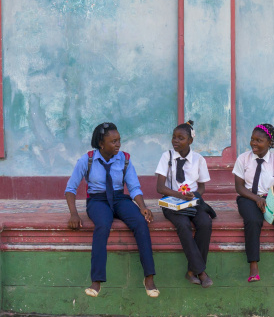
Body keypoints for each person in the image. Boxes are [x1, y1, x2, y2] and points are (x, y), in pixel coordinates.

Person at [65, 122, 159, 298]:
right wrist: (74, 214)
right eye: (113, 141)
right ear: (102, 143)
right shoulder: (87, 159)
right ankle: (97, 280)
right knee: (103, 224)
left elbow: (133, 186)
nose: (118, 144)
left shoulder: (124, 159)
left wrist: (143, 207)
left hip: (119, 198)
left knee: (140, 222)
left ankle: (149, 277)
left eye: (119, 140)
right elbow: (71, 188)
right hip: (97, 200)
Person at [233, 123, 274, 282]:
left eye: (259, 140)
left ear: (270, 142)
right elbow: (239, 188)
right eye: (252, 139)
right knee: (253, 220)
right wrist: (257, 199)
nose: (254, 143)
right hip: (248, 197)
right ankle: (253, 265)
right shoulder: (243, 159)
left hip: (270, 196)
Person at [155, 120, 214, 288]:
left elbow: (202, 187)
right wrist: (179, 195)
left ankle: (191, 272)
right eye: (174, 137)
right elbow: (160, 187)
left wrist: (193, 196)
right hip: (172, 204)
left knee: (205, 222)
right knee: (183, 225)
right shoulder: (166, 156)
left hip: (192, 202)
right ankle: (201, 272)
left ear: (190, 141)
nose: (175, 141)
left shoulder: (198, 159)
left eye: (181, 138)